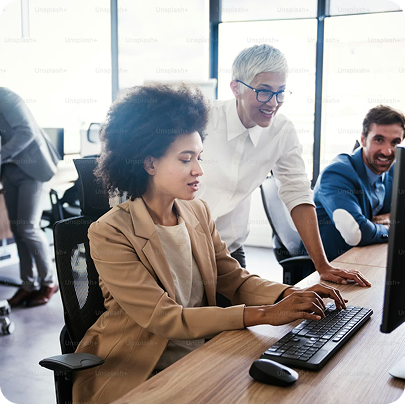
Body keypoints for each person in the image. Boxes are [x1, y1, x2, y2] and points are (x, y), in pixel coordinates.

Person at [73, 83, 348, 404]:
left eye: (200, 157)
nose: (199, 170)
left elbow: (232, 278)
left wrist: (292, 295)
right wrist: (266, 313)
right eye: (186, 159)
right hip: (140, 369)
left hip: (204, 349)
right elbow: (166, 318)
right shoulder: (110, 231)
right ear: (149, 164)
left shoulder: (196, 210)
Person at [196, 44, 370, 287]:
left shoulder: (282, 131)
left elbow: (297, 194)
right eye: (264, 91)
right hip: (181, 246)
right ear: (236, 88)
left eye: (281, 92)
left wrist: (322, 266)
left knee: (241, 322)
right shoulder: (203, 119)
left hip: (228, 250)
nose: (274, 103)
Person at [314, 105, 405, 261]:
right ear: (363, 139)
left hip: (369, 257)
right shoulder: (337, 173)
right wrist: (394, 229)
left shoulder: (393, 170)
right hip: (333, 266)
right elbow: (355, 233)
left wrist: (386, 220)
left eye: (394, 142)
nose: (387, 151)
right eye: (379, 140)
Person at [0, 87, 59, 307]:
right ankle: (28, 284)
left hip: (32, 170)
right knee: (17, 229)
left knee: (27, 227)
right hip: (10, 171)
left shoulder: (7, 98)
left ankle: (49, 282)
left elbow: (26, 132)